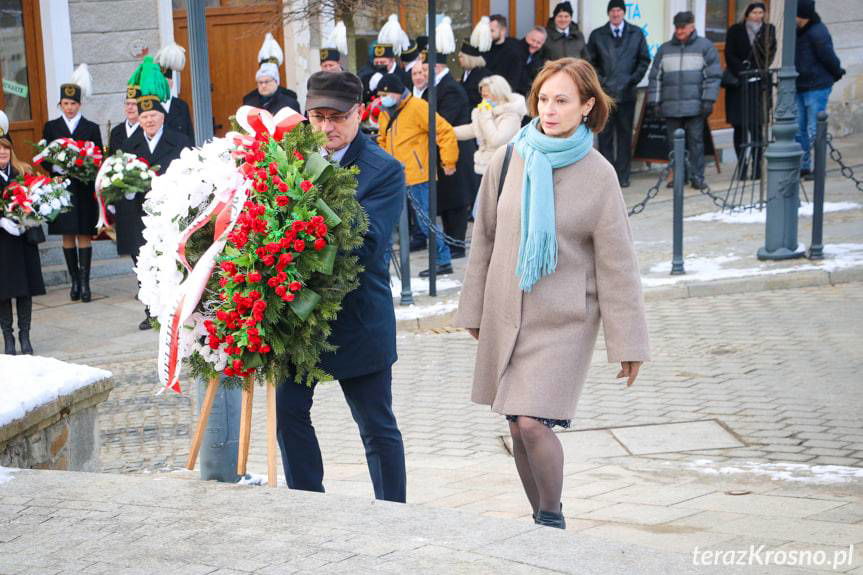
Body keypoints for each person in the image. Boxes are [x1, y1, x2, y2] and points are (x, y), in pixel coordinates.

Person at [455, 58, 649, 529]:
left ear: (587, 107)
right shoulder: (508, 159)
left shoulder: (600, 175)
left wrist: (628, 343)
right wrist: (475, 308)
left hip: (564, 322)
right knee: (516, 424)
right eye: (543, 99)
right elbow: (484, 238)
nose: (550, 109)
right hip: (508, 315)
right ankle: (541, 522)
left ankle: (551, 518)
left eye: (562, 100)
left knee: (531, 421)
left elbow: (617, 266)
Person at [277, 71, 407, 503]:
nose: (327, 128)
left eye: (337, 117)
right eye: (317, 117)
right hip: (299, 318)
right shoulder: (288, 157)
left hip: (359, 319)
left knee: (375, 425)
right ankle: (307, 505)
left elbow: (365, 247)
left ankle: (394, 516)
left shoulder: (384, 170)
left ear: (360, 114)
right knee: (289, 415)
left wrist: (303, 221)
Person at [123, 56, 193, 330]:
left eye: (153, 115)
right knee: (144, 261)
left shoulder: (180, 141)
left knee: (170, 260)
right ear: (139, 119)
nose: (149, 120)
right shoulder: (130, 144)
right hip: (141, 213)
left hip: (170, 211)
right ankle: (151, 310)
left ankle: (174, 307)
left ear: (162, 116)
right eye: (144, 116)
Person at [376, 73, 459, 275]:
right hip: (395, 176)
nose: (383, 98)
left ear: (398, 94)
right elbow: (382, 140)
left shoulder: (418, 107)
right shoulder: (384, 112)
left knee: (426, 221)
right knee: (387, 223)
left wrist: (449, 160)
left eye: (387, 94)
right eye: (380, 95)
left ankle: (442, 260)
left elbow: (444, 131)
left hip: (419, 175)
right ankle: (382, 268)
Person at [43, 63, 103, 303]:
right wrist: (54, 167)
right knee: (67, 235)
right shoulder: (51, 127)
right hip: (61, 189)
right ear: (60, 104)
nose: (69, 108)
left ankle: (86, 283)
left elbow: (98, 156)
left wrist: (85, 166)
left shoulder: (91, 127)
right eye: (65, 104)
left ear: (80, 104)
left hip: (84, 187)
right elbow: (44, 156)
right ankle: (75, 281)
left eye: (73, 104)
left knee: (84, 234)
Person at [647, 11, 721, 190]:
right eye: (677, 27)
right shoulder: (664, 49)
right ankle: (678, 177)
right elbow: (655, 77)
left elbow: (713, 76)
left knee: (696, 142)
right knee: (673, 144)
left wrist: (708, 100)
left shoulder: (705, 46)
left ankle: (698, 177)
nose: (679, 31)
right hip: (671, 106)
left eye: (683, 27)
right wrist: (654, 102)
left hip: (695, 106)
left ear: (692, 26)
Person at [422, 37, 476, 265]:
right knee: (445, 199)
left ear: (437, 67)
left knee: (456, 200)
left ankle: (457, 246)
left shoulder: (450, 89)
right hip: (441, 151)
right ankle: (451, 243)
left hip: (456, 151)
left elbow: (442, 121)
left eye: (426, 68)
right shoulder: (433, 88)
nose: (423, 73)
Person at [587, 0, 651, 188]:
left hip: (627, 94)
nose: (615, 14)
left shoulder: (636, 33)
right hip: (604, 95)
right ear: (608, 13)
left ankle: (623, 175)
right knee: (604, 136)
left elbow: (644, 60)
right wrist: (602, 84)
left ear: (624, 13)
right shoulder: (597, 35)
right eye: (612, 10)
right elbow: (591, 63)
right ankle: (606, 176)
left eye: (619, 10)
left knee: (624, 137)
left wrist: (631, 81)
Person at [0, 112, 44, 355]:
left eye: (5, 148)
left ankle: (25, 336)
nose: (2, 153)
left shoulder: (24, 171)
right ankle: (8, 338)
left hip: (24, 240)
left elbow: (39, 201)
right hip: (3, 243)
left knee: (25, 291)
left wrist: (29, 218)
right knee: (3, 292)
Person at [454, 75, 526, 208]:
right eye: (483, 95)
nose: (484, 99)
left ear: (498, 93)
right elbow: (473, 130)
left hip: (503, 169)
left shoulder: (511, 115)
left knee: (492, 212)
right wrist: (445, 131)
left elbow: (495, 139)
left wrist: (485, 116)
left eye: (487, 95)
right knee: (482, 213)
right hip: (487, 167)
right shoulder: (489, 112)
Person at [724, 2, 776, 181]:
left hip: (758, 83)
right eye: (754, 12)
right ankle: (742, 165)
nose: (758, 16)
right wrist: (743, 72)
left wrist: (758, 69)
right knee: (739, 127)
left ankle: (756, 166)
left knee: (756, 127)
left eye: (761, 12)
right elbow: (729, 54)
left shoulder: (769, 30)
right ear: (747, 14)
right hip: (739, 84)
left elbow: (770, 53)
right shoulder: (735, 30)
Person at [795, 0, 844, 178]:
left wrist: (837, 72)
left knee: (814, 129)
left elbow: (828, 56)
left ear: (802, 15)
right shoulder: (796, 32)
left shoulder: (817, 31)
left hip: (816, 85)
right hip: (799, 85)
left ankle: (818, 167)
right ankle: (803, 166)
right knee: (799, 129)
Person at [242, 33, 302, 115]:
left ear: (276, 81)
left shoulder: (290, 103)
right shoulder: (249, 103)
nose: (263, 85)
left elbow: (300, 126)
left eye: (267, 81)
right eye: (260, 82)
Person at [363, 15, 412, 102]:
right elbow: (364, 100)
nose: (379, 65)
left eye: (382, 62)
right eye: (376, 62)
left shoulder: (405, 77)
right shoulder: (368, 76)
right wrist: (370, 89)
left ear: (392, 60)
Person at [155, 42, 194, 141]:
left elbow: (189, 136)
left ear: (171, 84)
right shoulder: (148, 105)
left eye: (165, 82)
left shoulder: (181, 106)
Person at [486, 15, 524, 92]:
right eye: (487, 31)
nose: (488, 34)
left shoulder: (513, 53)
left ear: (503, 31)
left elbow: (512, 83)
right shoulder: (484, 49)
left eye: (492, 31)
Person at [517, 26, 549, 97]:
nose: (534, 44)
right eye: (532, 40)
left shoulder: (542, 56)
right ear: (526, 37)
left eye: (538, 43)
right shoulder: (515, 50)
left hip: (528, 94)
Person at [108, 86, 140, 153]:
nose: (129, 107)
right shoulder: (115, 131)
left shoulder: (147, 131)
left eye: (134, 104)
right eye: (127, 104)